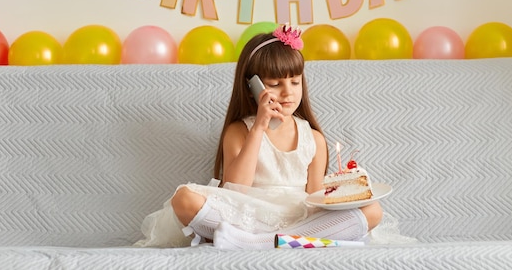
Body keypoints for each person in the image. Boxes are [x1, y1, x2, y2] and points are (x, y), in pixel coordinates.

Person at [135, 24, 382, 250]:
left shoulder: (313, 138)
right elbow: (235, 190)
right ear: (253, 88)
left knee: (373, 211)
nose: (288, 92)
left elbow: (316, 198)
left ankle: (260, 243)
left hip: (298, 216)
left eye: (295, 82)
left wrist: (342, 194)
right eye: (275, 84)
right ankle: (289, 241)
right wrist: (259, 128)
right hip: (248, 215)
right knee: (184, 199)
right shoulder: (239, 131)